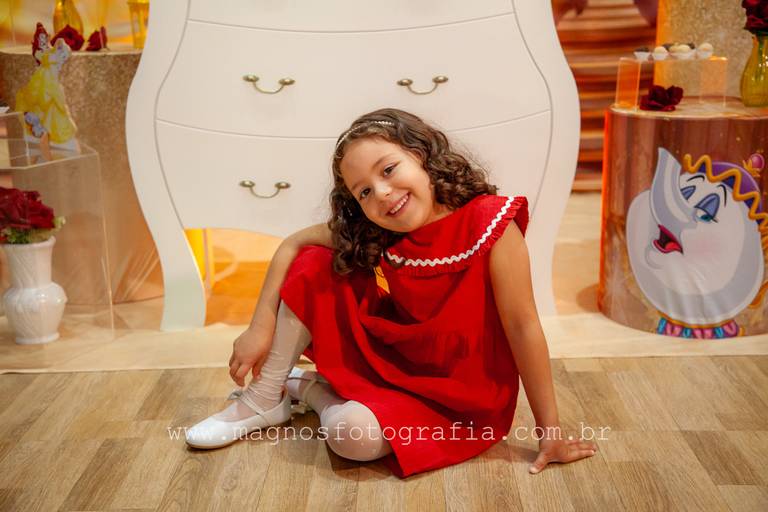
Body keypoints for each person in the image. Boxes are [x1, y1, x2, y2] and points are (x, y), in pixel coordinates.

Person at [185, 108, 598, 478]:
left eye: (387, 169)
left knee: (352, 438)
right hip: (393, 364)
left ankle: (308, 388)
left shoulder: (491, 225)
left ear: (421, 154)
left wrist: (550, 433)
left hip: (464, 402)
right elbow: (293, 244)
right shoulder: (378, 229)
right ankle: (264, 396)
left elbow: (523, 327)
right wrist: (260, 326)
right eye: (363, 191)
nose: (382, 193)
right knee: (314, 263)